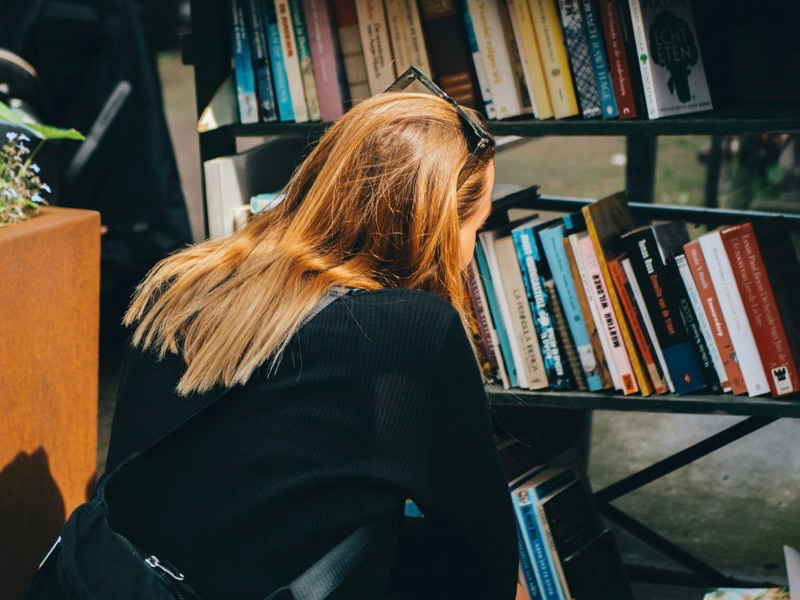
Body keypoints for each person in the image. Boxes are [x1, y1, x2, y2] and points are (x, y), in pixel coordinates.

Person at [104, 75, 518, 599]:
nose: (469, 254)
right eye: (474, 230)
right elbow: (486, 572)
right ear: (433, 227)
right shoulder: (412, 335)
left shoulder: (176, 282)